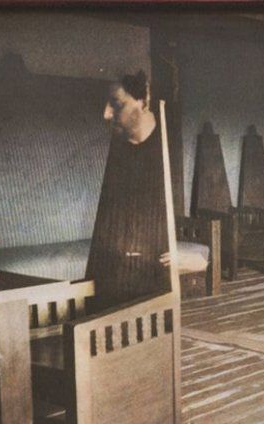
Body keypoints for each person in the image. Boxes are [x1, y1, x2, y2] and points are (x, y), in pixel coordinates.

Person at [86, 71, 172, 303]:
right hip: (117, 272)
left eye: (116, 104)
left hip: (154, 278)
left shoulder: (166, 147)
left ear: (143, 101)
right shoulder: (116, 149)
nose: (106, 114)